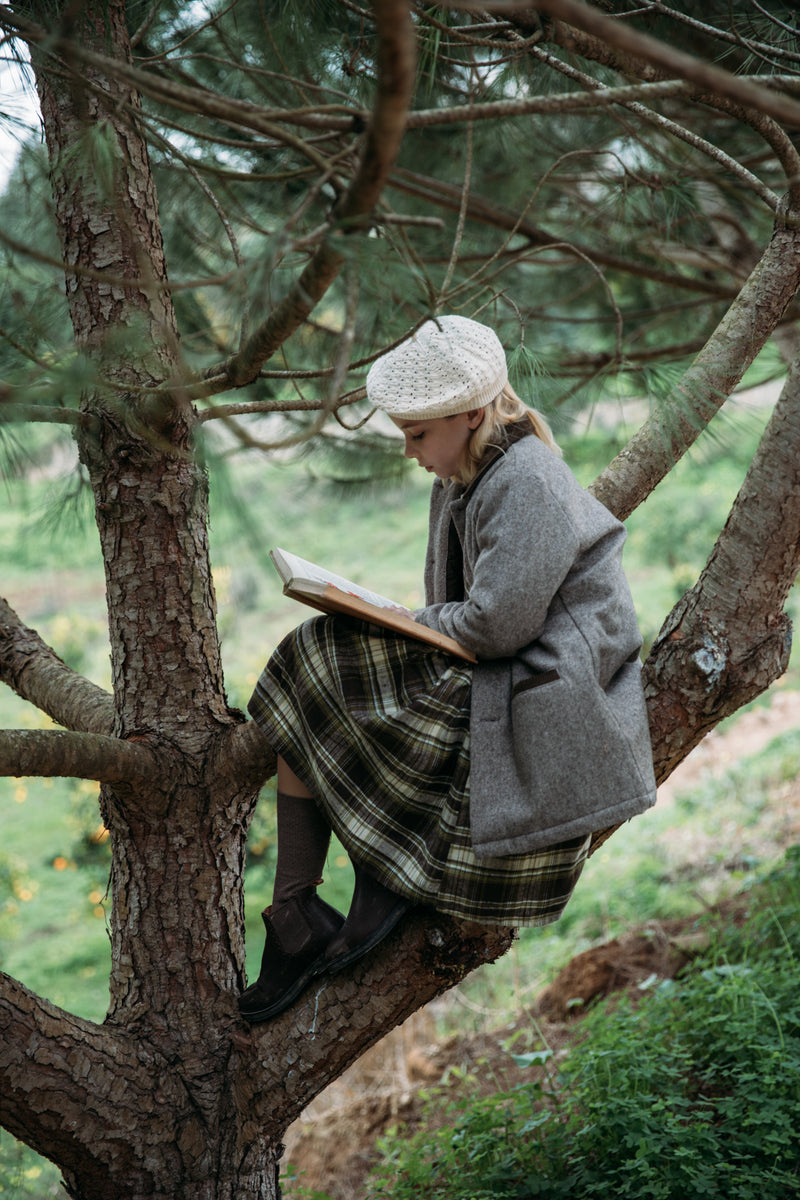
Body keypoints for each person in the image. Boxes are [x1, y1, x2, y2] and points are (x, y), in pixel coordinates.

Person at [238, 315, 657, 1024]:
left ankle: (360, 883)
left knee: (320, 656)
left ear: (470, 413)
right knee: (311, 658)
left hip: (553, 699)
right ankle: (296, 906)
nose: (408, 451)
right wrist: (397, 619)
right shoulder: (468, 474)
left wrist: (395, 617)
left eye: (416, 434)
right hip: (514, 667)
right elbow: (468, 614)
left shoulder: (525, 480)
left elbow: (495, 626)